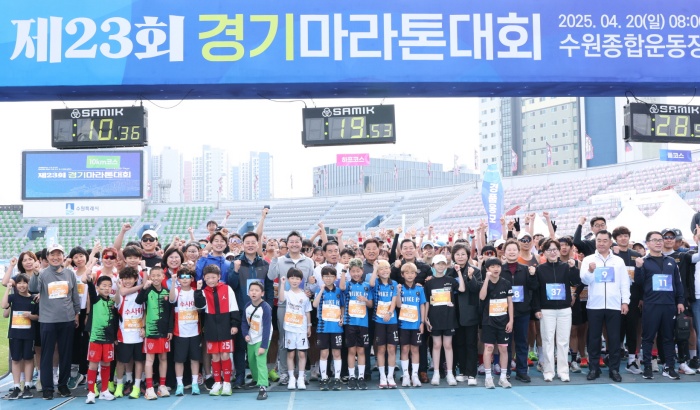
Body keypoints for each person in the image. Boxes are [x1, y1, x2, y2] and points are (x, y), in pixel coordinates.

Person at [29, 244, 81, 400]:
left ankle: (63, 385)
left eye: (59, 254)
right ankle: (47, 387)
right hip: (48, 321)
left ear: (63, 256)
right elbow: (33, 287)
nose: (56, 257)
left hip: (67, 319)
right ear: (47, 257)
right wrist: (36, 273)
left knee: (66, 353)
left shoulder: (70, 274)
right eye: (52, 254)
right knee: (47, 354)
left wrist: (77, 314)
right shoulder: (43, 274)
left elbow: (74, 296)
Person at [580, 230, 630, 383]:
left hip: (614, 305)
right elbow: (584, 280)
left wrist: (625, 301)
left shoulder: (618, 261)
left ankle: (614, 369)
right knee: (594, 338)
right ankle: (594, 368)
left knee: (614, 338)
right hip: (594, 305)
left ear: (610, 242)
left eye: (604, 240)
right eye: (598, 240)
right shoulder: (588, 259)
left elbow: (624, 282)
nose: (601, 243)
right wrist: (590, 271)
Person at [635, 231, 685, 380]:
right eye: (654, 240)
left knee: (669, 337)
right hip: (651, 304)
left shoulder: (671, 261)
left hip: (669, 304)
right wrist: (638, 268)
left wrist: (680, 301)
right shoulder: (644, 261)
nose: (658, 242)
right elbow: (639, 283)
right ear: (647, 243)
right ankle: (647, 367)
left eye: (660, 240)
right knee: (648, 337)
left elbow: (678, 283)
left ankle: (669, 367)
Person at [267, 231, 315, 385]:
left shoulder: (308, 262)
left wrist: (310, 290)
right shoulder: (280, 260)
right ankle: (284, 373)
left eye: (297, 241)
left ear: (301, 243)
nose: (294, 244)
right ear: (287, 244)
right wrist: (274, 259)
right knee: (284, 339)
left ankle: (300, 373)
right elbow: (270, 276)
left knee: (301, 340)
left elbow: (311, 283)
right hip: (284, 306)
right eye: (291, 241)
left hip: (301, 307)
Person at [228, 232, 272, 389]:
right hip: (242, 311)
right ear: (242, 245)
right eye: (247, 242)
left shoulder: (264, 264)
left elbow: (269, 288)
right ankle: (240, 377)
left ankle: (258, 377)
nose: (251, 245)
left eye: (253, 242)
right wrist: (235, 271)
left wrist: (268, 308)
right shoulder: (236, 262)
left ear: (258, 245)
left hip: (260, 313)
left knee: (258, 346)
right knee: (241, 346)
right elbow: (231, 285)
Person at [533, 239, 580, 382]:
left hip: (564, 309)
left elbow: (575, 282)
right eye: (549, 250)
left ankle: (563, 371)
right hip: (546, 310)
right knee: (547, 340)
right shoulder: (540, 269)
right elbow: (536, 291)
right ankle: (548, 370)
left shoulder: (566, 267)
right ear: (544, 253)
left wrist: (573, 268)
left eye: (555, 249)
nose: (552, 252)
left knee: (563, 341)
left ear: (559, 251)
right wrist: (537, 308)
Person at [194, 264, 240, 396]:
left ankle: (227, 383)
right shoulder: (203, 292)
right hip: (211, 327)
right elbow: (199, 306)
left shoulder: (227, 289)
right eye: (208, 278)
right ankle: (217, 382)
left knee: (225, 355)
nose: (210, 280)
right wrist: (198, 290)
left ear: (219, 277)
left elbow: (234, 307)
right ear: (204, 278)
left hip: (226, 326)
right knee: (215, 356)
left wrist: (234, 324)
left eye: (213, 277)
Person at [500, 239, 538, 383]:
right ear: (504, 252)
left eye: (514, 250)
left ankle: (522, 371)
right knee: (506, 344)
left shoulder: (526, 270)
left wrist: (533, 275)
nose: (511, 252)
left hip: (523, 312)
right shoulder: (500, 270)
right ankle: (506, 371)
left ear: (518, 252)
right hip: (504, 313)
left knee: (522, 342)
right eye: (509, 250)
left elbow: (534, 288)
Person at [424, 254, 465, 386]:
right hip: (434, 318)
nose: (441, 266)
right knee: (436, 345)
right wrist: (425, 318)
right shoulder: (429, 282)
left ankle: (450, 373)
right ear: (433, 265)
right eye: (438, 264)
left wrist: (459, 272)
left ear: (446, 265)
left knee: (448, 345)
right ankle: (436, 373)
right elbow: (427, 302)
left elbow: (462, 288)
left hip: (449, 318)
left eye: (443, 263)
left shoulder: (451, 280)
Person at [135, 266, 173, 400]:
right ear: (150, 277)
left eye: (158, 275)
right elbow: (138, 301)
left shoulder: (167, 292)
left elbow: (171, 313)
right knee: (149, 360)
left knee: (163, 358)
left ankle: (162, 386)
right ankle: (149, 388)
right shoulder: (148, 291)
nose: (156, 278)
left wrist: (170, 329)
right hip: (151, 331)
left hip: (164, 331)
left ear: (163, 277)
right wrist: (144, 288)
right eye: (153, 275)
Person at [611, 226, 644, 375]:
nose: (623, 238)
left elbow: (641, 278)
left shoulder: (636, 255)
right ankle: (614, 357)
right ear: (615, 239)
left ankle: (632, 360)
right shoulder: (611, 255)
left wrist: (641, 297)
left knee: (632, 329)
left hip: (633, 299)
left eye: (626, 236)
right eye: (620, 236)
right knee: (616, 329)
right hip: (615, 299)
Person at [2, 273, 39, 400]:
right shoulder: (13, 297)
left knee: (28, 358)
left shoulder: (34, 298)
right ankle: (17, 386)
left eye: (24, 283)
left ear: (29, 284)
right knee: (16, 359)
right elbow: (3, 305)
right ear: (16, 285)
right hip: (15, 334)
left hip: (29, 334)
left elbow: (38, 316)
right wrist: (8, 289)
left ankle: (27, 385)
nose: (22, 285)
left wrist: (30, 316)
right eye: (19, 283)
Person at [450, 243, 482, 386]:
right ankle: (462, 371)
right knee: (459, 343)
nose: (460, 257)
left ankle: (471, 373)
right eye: (457, 254)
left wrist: (470, 277)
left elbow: (476, 289)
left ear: (468, 255)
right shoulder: (450, 272)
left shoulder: (475, 271)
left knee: (471, 344)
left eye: (463, 254)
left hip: (470, 312)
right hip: (454, 313)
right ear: (453, 256)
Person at [480, 258, 514, 389]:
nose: (496, 269)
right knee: (488, 348)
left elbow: (510, 302)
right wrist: (486, 279)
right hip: (488, 322)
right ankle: (488, 378)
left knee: (503, 349)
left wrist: (511, 320)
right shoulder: (485, 282)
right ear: (487, 269)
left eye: (498, 266)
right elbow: (482, 297)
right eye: (492, 266)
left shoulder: (506, 283)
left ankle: (503, 378)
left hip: (503, 322)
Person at [84, 275, 119, 404]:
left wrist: (115, 337)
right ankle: (91, 392)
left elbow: (115, 320)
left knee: (106, 364)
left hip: (109, 339)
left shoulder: (112, 302)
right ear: (98, 288)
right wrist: (89, 280)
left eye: (109, 286)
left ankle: (104, 390)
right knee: (93, 364)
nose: (107, 288)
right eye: (104, 286)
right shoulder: (95, 299)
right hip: (96, 338)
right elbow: (91, 288)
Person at [340, 258, 373, 390]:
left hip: (363, 323)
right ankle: (352, 376)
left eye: (358, 271)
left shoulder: (366, 286)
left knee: (361, 350)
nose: (356, 274)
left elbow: (371, 304)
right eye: (353, 271)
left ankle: (361, 377)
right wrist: (344, 270)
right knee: (351, 350)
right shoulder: (347, 284)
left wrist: (365, 300)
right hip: (350, 323)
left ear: (362, 271)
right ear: (350, 272)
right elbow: (341, 287)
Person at [278, 268, 312, 390]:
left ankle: (301, 377)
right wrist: (282, 284)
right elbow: (281, 298)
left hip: (301, 329)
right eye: (292, 278)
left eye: (297, 278)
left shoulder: (305, 295)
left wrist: (309, 326)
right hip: (290, 329)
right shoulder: (287, 293)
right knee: (291, 353)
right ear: (288, 279)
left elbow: (307, 312)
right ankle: (292, 377)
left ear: (301, 280)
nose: (294, 280)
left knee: (302, 354)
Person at [169, 267, 201, 396]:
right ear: (178, 279)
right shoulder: (176, 291)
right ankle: (180, 384)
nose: (185, 279)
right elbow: (171, 299)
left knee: (195, 359)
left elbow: (201, 307)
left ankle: (195, 384)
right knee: (179, 360)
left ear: (192, 279)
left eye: (188, 277)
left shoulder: (196, 291)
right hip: (180, 332)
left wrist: (199, 290)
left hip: (195, 332)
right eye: (182, 277)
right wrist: (173, 282)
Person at [114, 267, 145, 399]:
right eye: (125, 279)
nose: (127, 281)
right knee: (121, 361)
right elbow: (117, 299)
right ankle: (119, 385)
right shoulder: (120, 295)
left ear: (136, 279)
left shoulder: (141, 294)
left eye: (130, 278)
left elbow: (145, 312)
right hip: (124, 335)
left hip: (138, 335)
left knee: (139, 361)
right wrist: (118, 288)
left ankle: (136, 386)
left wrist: (143, 327)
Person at [313, 266, 345, 391]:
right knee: (324, 353)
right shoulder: (319, 290)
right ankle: (324, 378)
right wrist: (321, 290)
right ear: (322, 278)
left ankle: (336, 378)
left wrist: (342, 317)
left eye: (331, 276)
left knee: (336, 353)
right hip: (323, 327)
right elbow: (315, 304)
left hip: (336, 327)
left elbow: (342, 306)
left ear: (335, 278)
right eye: (326, 276)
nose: (328, 278)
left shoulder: (339, 291)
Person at [370, 259, 399, 388]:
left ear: (390, 270)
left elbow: (394, 300)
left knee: (391, 348)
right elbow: (371, 283)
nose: (384, 271)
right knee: (381, 349)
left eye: (386, 268)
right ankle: (382, 376)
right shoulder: (376, 283)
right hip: (378, 320)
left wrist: (389, 312)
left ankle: (390, 376)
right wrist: (375, 269)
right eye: (381, 269)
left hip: (391, 320)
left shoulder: (394, 284)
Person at [396, 262, 426, 388]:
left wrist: (422, 322)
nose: (409, 275)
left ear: (415, 275)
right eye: (407, 273)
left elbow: (422, 306)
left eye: (412, 273)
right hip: (403, 325)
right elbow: (398, 305)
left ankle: (414, 375)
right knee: (404, 349)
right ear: (402, 275)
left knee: (415, 349)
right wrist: (398, 292)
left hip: (416, 325)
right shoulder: (400, 288)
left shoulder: (420, 289)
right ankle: (406, 375)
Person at [242, 281, 273, 400]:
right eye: (251, 290)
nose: (254, 293)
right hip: (251, 337)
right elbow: (244, 322)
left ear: (262, 293)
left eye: (257, 290)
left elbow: (267, 328)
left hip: (262, 338)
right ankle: (256, 380)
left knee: (260, 361)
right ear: (248, 292)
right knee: (251, 361)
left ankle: (263, 386)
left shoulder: (265, 308)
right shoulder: (247, 306)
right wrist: (245, 334)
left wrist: (263, 345)